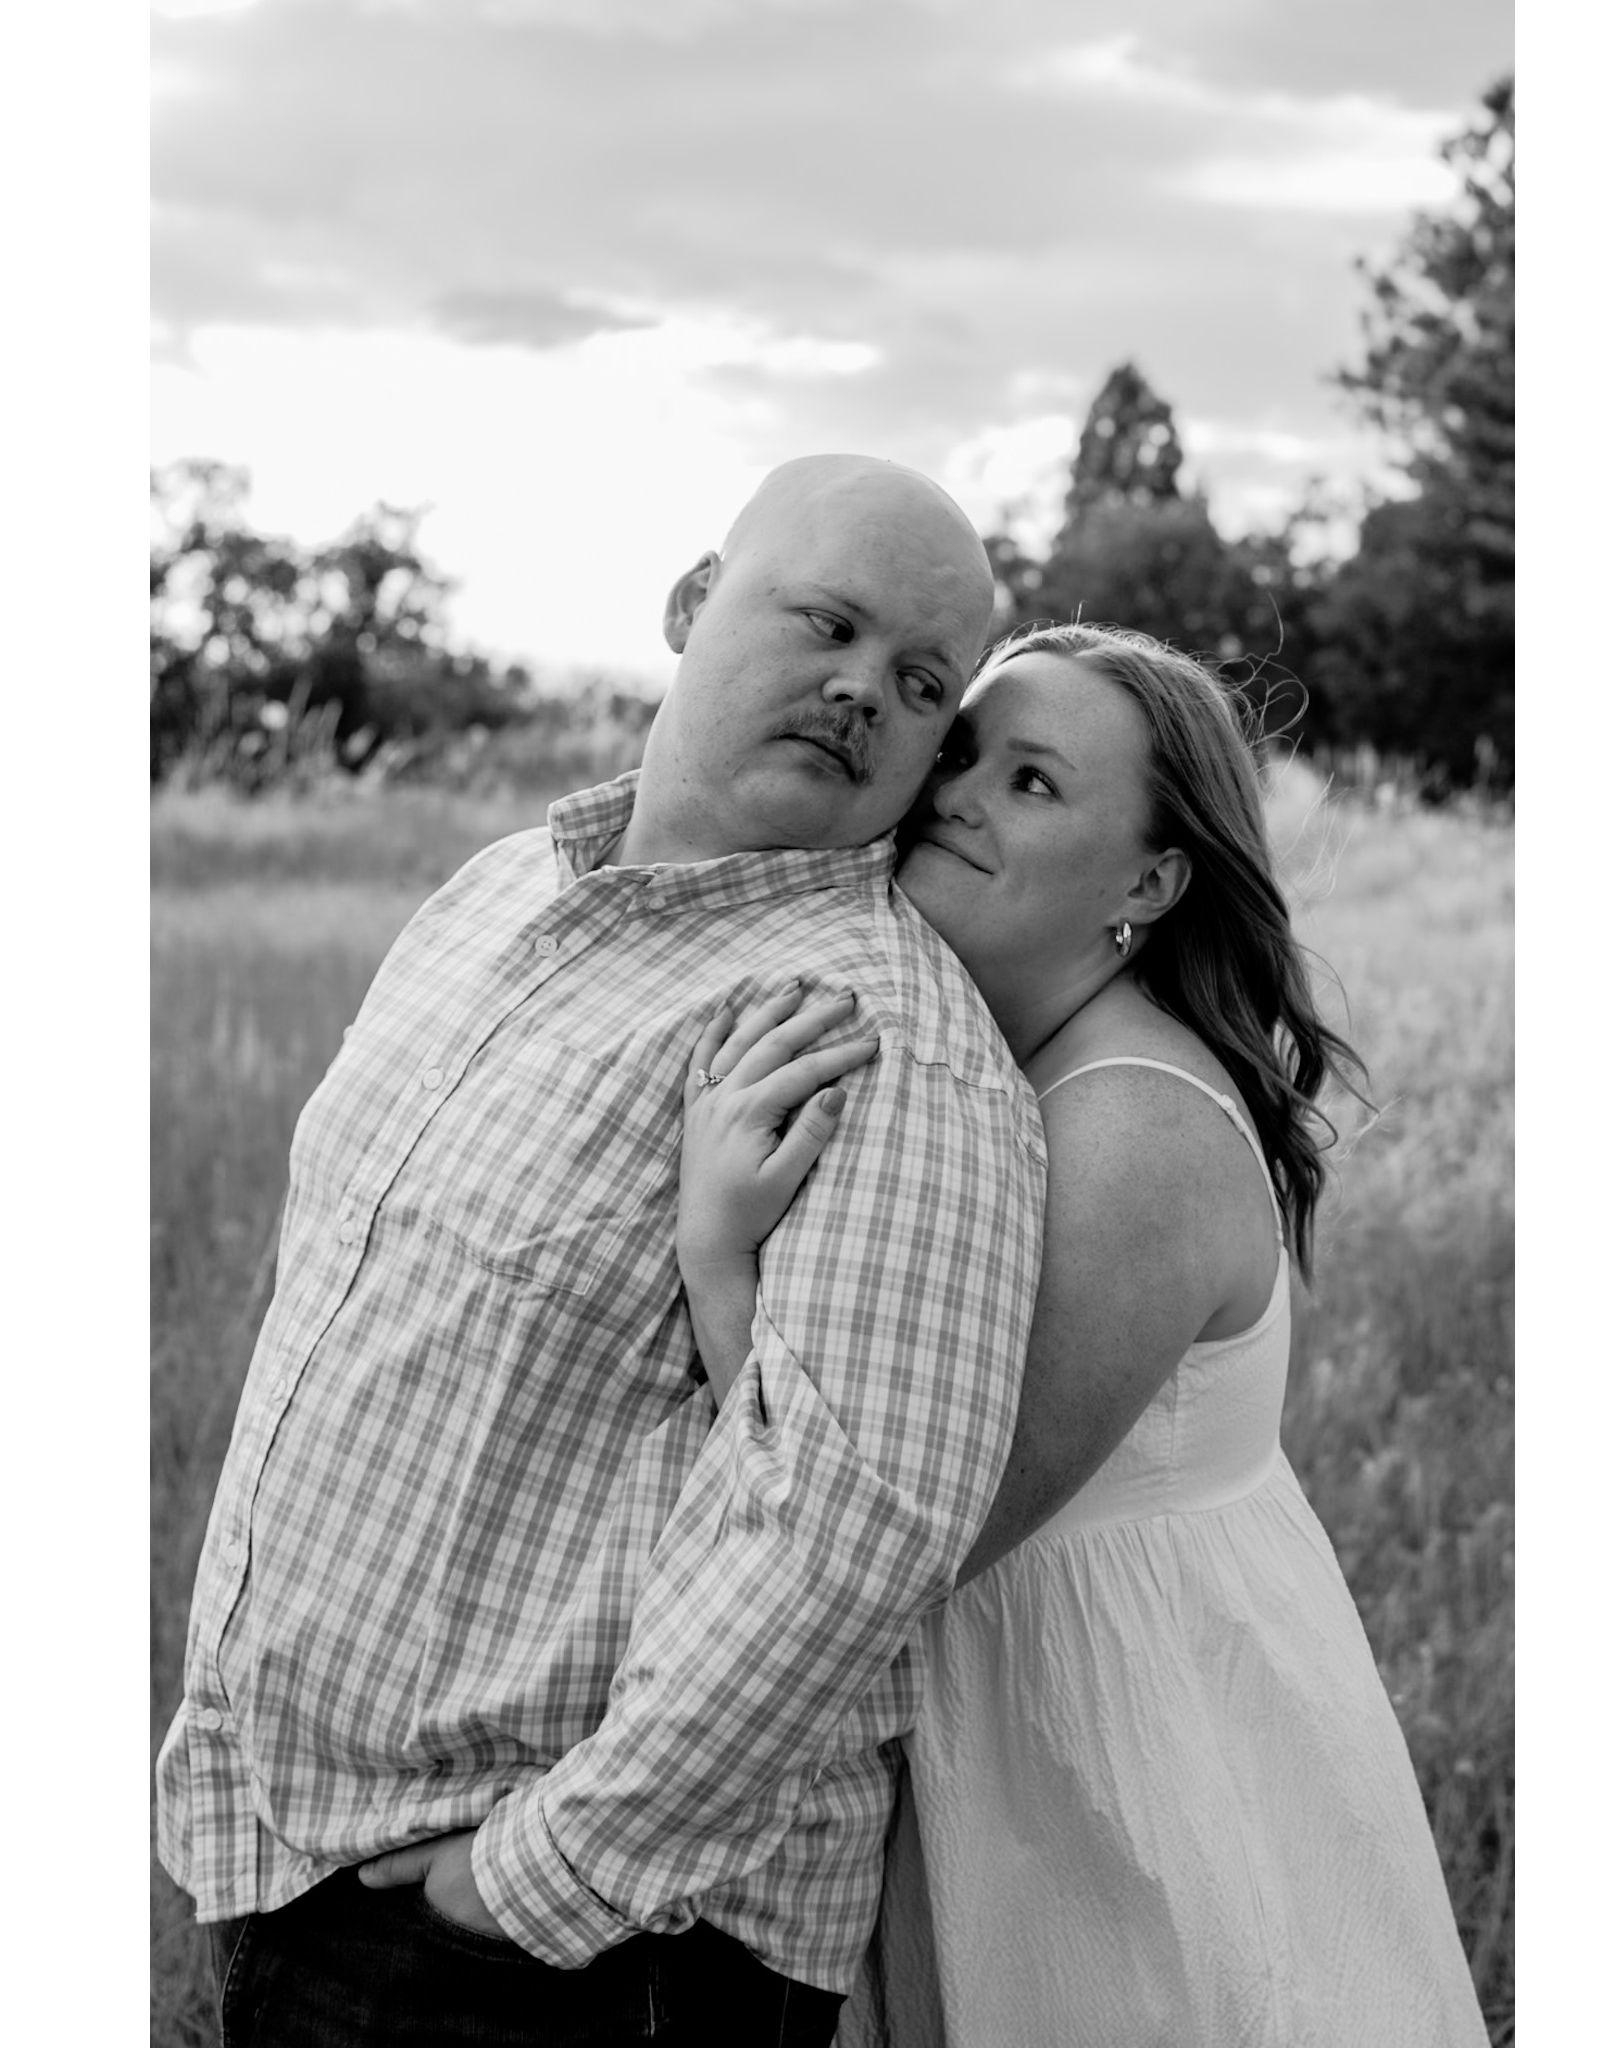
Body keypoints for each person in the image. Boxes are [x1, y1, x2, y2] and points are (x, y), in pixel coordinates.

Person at [154, 455, 1048, 2048]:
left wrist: (536, 1883)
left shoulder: (875, 1038)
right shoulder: (501, 889)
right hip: (300, 1851)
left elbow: (849, 1528)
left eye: (921, 684)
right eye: (826, 625)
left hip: (562, 1963)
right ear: (694, 604)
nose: (862, 693)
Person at [675, 623, 1492, 2047]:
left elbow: (894, 1544)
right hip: (1009, 1722)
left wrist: (715, 1249)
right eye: (968, 751)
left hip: (1121, 1756)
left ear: (1152, 882)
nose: (956, 791)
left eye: (1035, 782)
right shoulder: (995, 1052)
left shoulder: (1133, 1131)